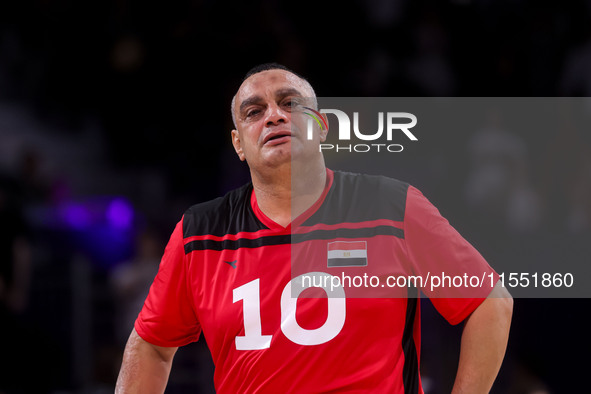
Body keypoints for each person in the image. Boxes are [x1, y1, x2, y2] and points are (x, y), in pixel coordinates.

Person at [116, 63, 513, 393]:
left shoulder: (391, 206)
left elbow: (489, 301)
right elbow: (151, 345)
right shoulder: (198, 233)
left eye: (290, 103)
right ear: (238, 144)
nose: (274, 114)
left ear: (321, 126)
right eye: (254, 112)